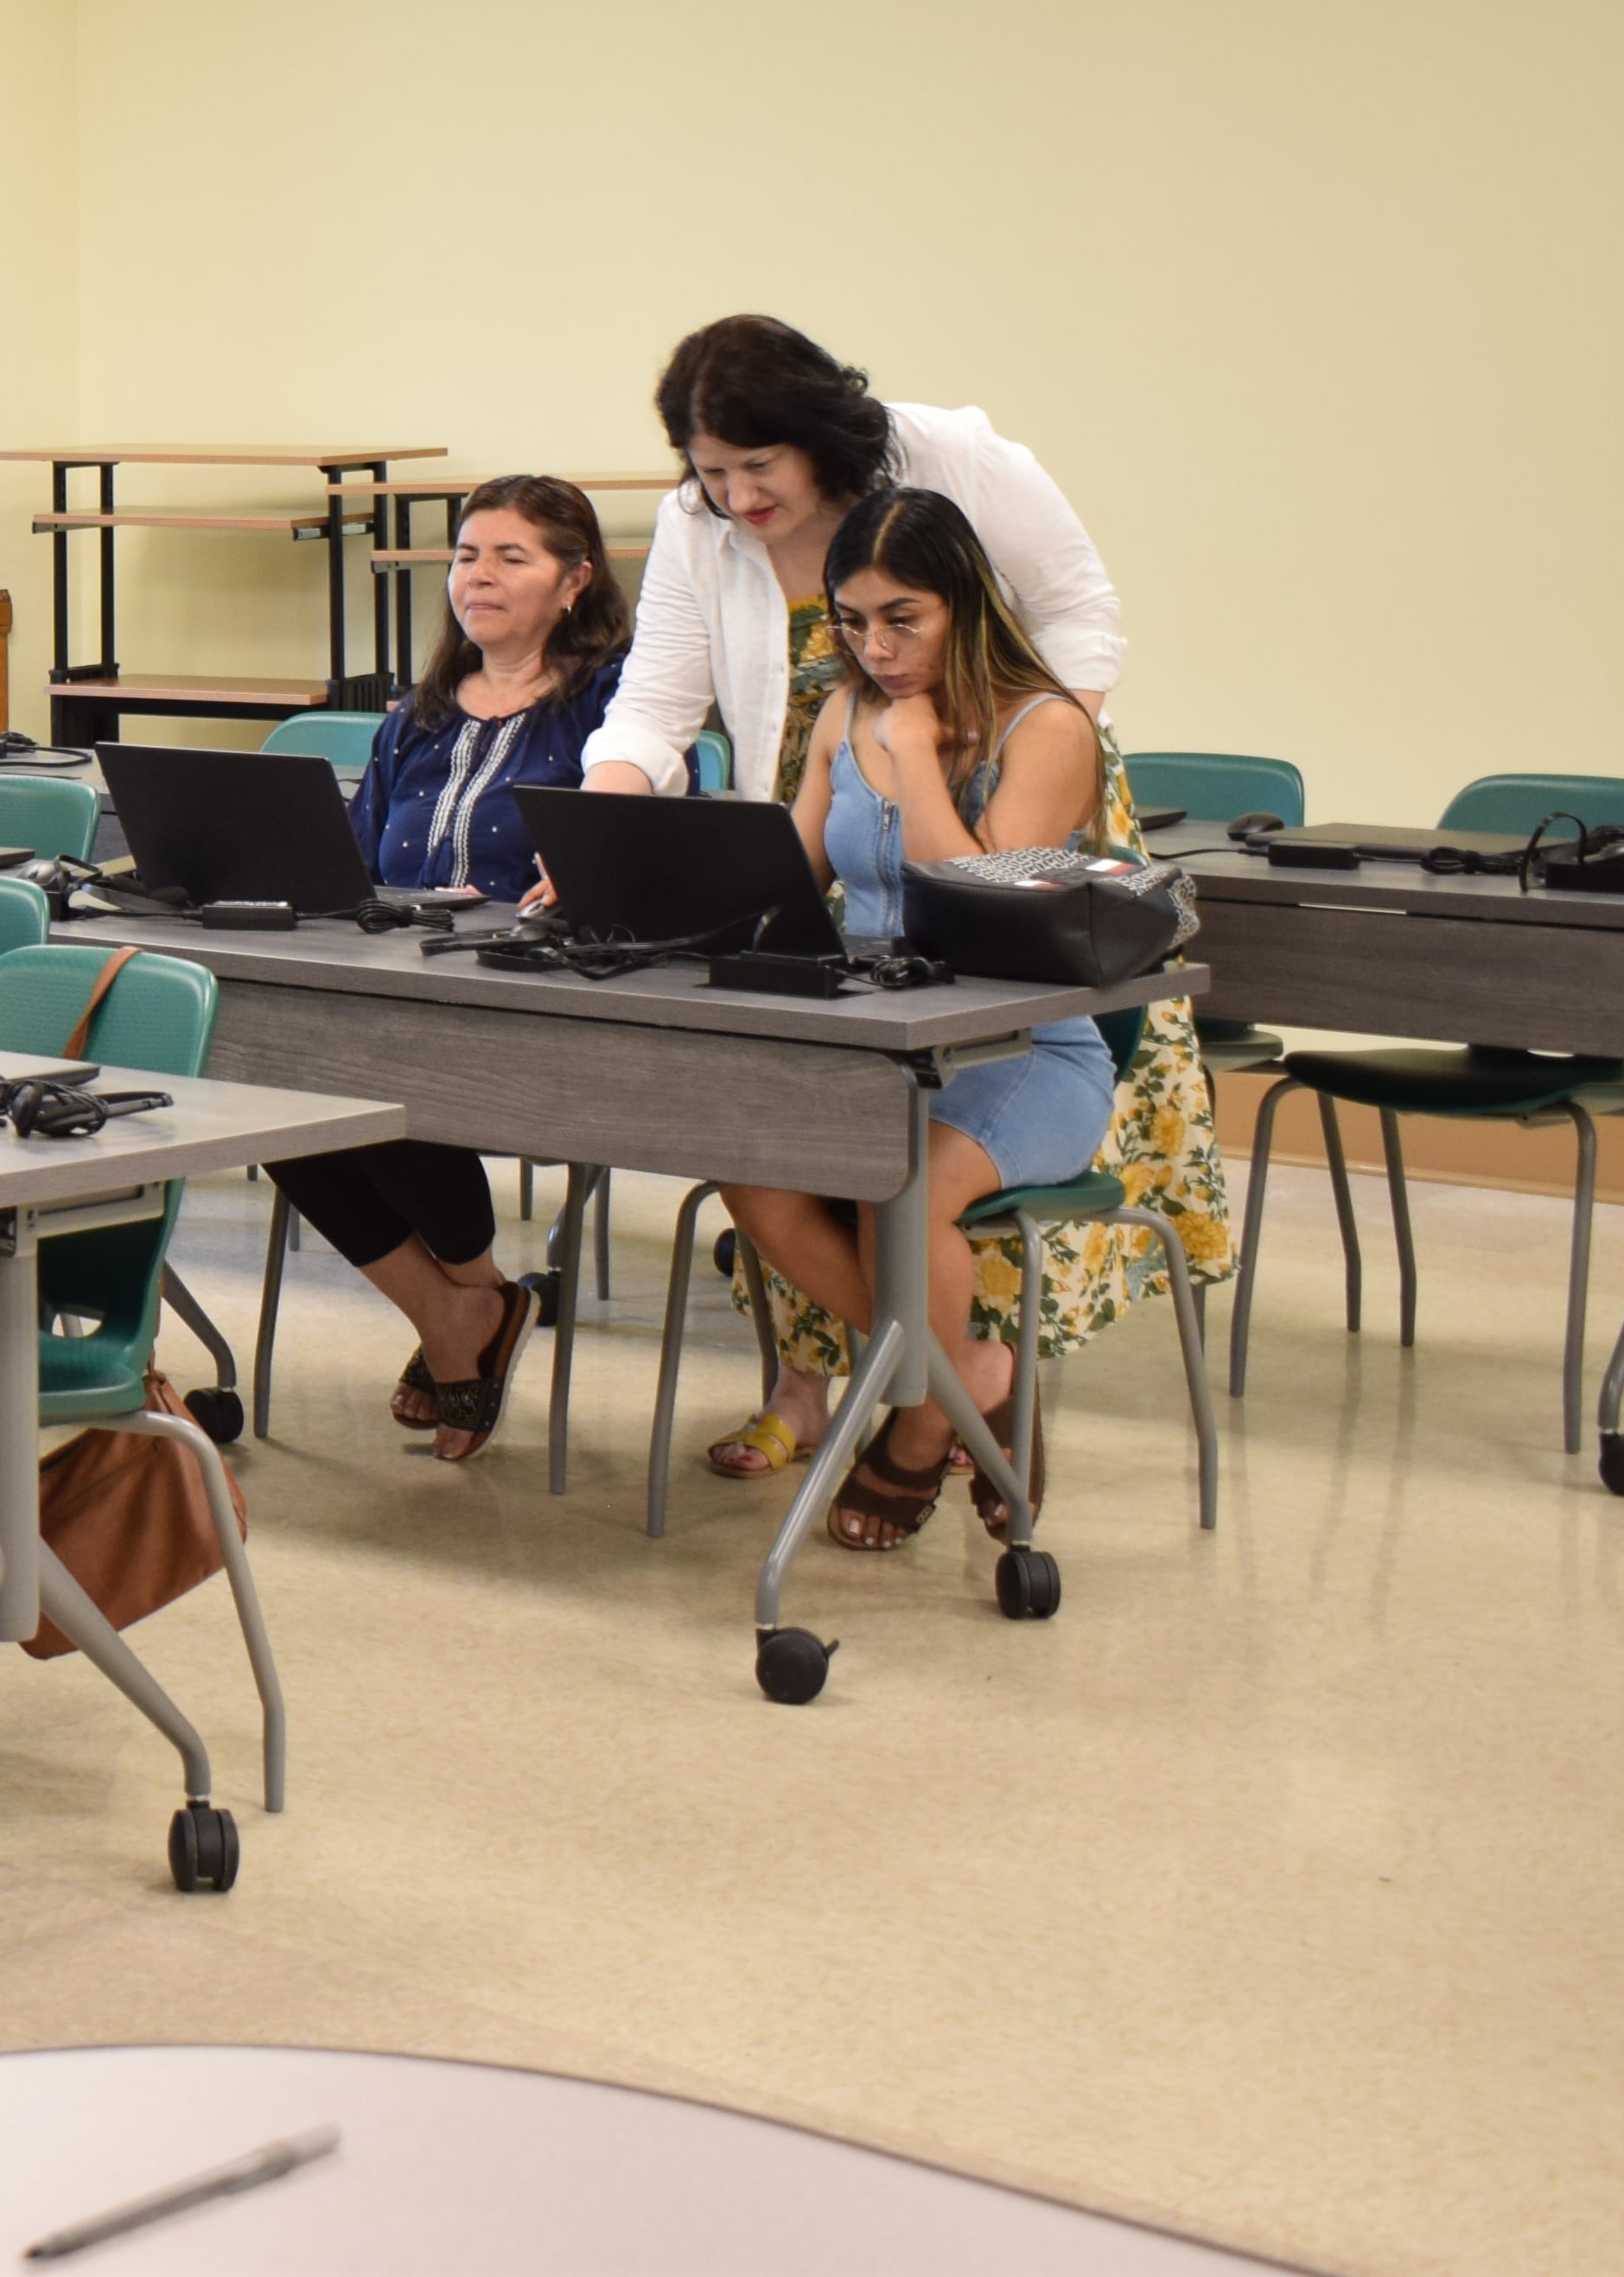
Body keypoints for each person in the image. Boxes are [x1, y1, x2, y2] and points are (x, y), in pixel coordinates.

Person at [713, 487, 1129, 1553]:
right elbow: (792, 878)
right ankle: (975, 1372)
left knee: (902, 1185)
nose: (876, 647)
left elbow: (980, 893)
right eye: (853, 621)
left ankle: (914, 1422)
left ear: (967, 604)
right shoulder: (845, 713)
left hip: (1022, 1048)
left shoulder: (1050, 726)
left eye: (905, 618)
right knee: (751, 1176)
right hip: (882, 1040)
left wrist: (911, 757)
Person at [273, 475, 632, 1464]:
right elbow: (347, 870)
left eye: (512, 557)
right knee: (275, 1091)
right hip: (399, 982)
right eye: (468, 555)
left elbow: (629, 857)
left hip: (537, 1002)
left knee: (388, 1082)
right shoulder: (417, 716)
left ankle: (465, 1306)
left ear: (575, 581)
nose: (479, 575)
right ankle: (460, 1307)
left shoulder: (612, 709)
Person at [579, 314, 1118, 808]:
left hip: (999, 793)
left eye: (759, 465)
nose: (741, 498)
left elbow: (1076, 613)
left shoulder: (950, 455)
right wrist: (596, 825)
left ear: (816, 438)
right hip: (819, 829)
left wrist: (1041, 759)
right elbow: (654, 705)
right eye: (713, 472)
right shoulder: (693, 522)